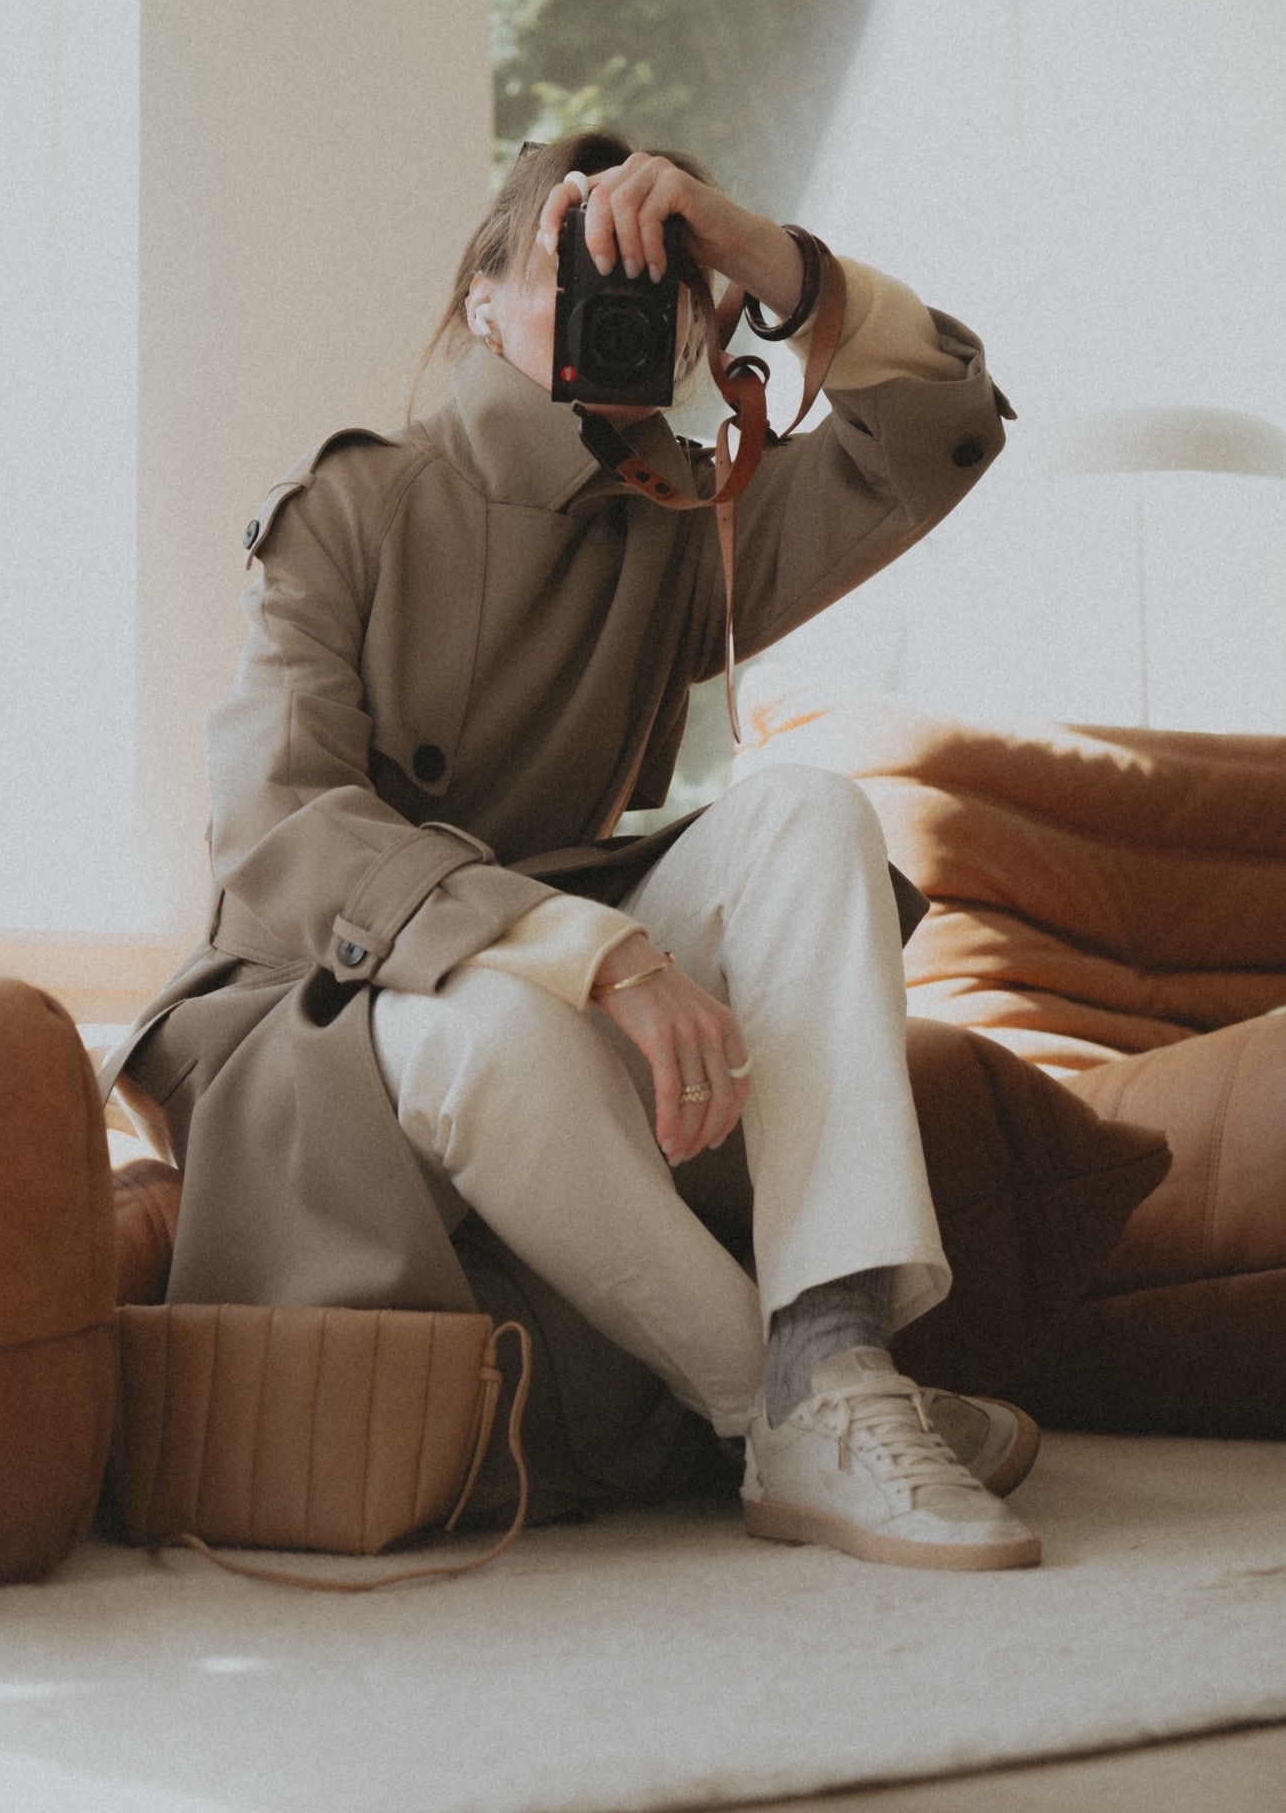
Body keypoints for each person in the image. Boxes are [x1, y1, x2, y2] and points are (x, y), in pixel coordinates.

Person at [103, 129, 1039, 1571]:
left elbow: (933, 429)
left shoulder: (679, 513)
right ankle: (802, 1408)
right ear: (482, 303)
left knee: (809, 810)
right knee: (496, 1035)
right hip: (319, 999)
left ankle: (835, 1363)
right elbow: (277, 819)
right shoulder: (351, 504)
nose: (617, 292)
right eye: (568, 259)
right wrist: (591, 951)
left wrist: (770, 264)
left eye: (652, 274)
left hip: (548, 945)